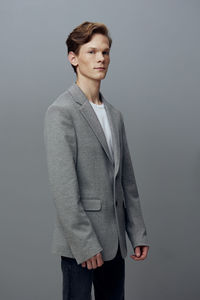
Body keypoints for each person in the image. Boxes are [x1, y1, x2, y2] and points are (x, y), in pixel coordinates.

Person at [44, 21, 150, 300]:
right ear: (73, 58)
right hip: (82, 245)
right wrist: (85, 243)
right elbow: (64, 189)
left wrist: (137, 232)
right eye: (91, 52)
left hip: (115, 241)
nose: (101, 58)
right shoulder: (61, 111)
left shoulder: (115, 115)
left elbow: (127, 181)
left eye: (105, 52)